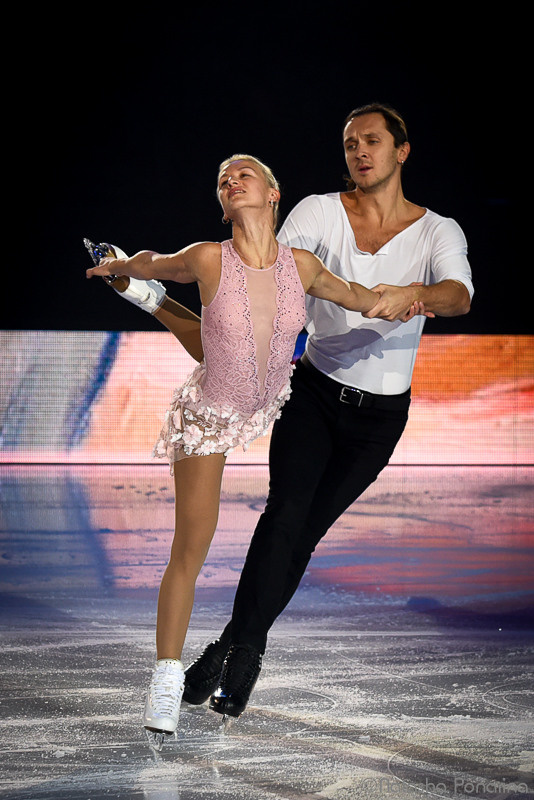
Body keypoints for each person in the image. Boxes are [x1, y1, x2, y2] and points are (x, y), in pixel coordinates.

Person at [86, 152, 422, 743]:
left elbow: (363, 297)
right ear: (224, 205)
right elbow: (155, 260)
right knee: (192, 545)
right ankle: (165, 679)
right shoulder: (208, 256)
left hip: (267, 398)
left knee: (224, 342)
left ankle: (148, 299)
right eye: (222, 179)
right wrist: (122, 266)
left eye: (243, 173)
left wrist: (412, 296)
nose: (230, 180)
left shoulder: (303, 266)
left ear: (273, 193)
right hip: (211, 414)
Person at [179, 104, 474, 720]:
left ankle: (224, 647)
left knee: (305, 534)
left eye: (372, 141)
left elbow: (458, 295)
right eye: (349, 144)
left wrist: (414, 295)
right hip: (312, 391)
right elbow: (273, 270)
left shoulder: (437, 231)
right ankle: (247, 658)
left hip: (378, 420)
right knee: (284, 516)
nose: (359, 152)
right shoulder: (317, 212)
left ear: (402, 151)